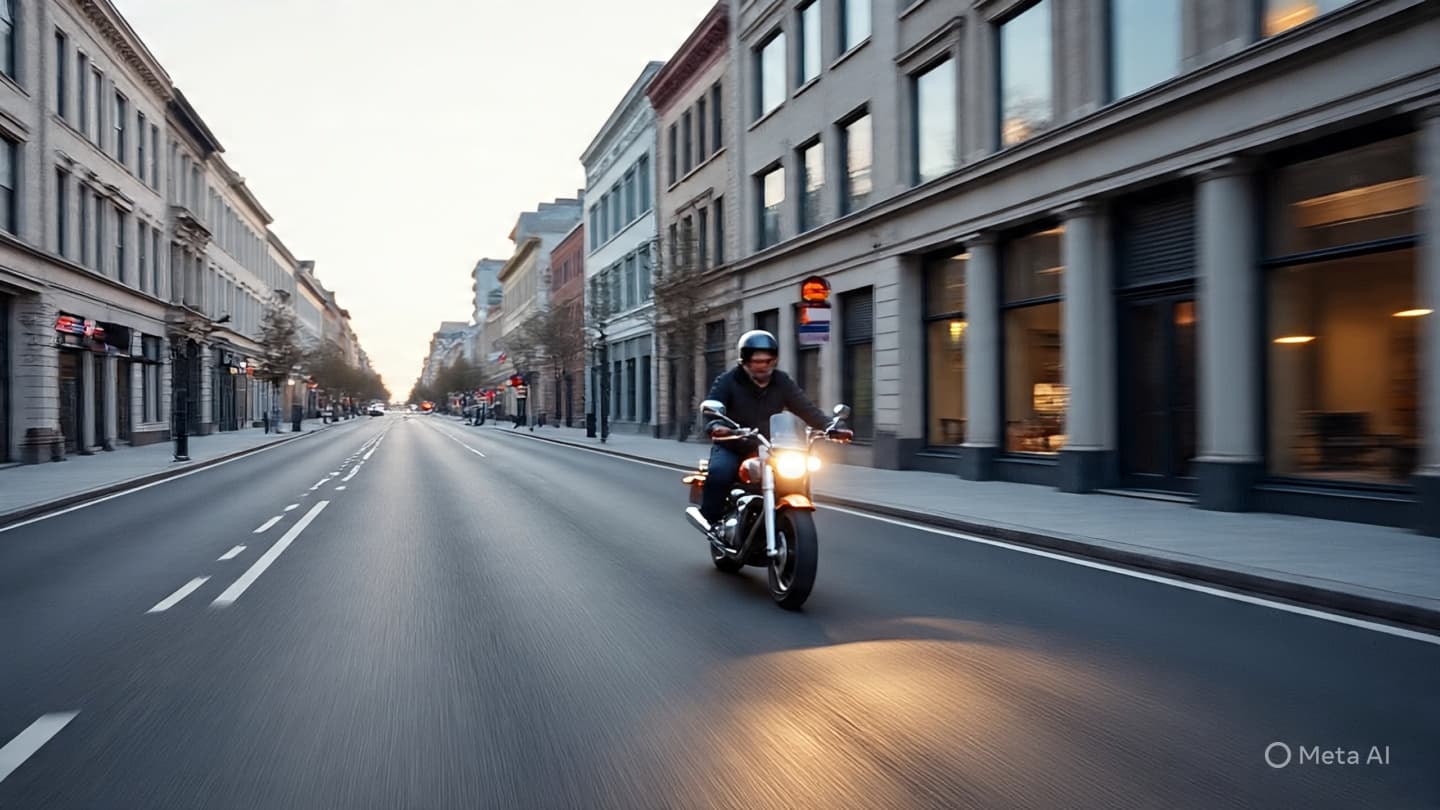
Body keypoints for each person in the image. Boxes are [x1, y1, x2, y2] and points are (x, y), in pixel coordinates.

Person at [697, 330, 851, 542]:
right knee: (720, 472)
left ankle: (789, 527)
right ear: (745, 361)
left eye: (768, 361)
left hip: (771, 446)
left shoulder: (781, 381)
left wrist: (829, 427)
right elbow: (714, 406)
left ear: (774, 360)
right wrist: (716, 425)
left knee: (794, 478)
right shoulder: (728, 381)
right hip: (733, 444)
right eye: (757, 361)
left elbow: (805, 408)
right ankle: (713, 524)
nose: (763, 366)